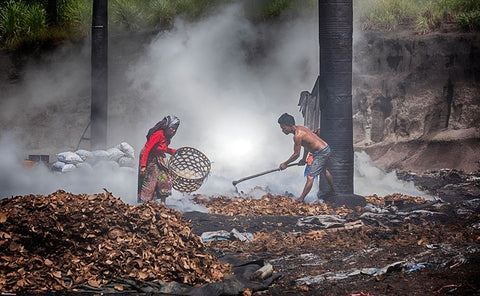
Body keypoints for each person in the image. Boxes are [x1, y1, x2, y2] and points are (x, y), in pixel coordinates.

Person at [277, 113, 335, 202]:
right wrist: (304, 159)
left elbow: (296, 154)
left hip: (321, 152)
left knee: (310, 176)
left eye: (284, 128)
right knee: (324, 170)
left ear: (289, 125)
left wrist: (285, 163)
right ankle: (333, 191)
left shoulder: (297, 136)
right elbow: (307, 145)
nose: (283, 131)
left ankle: (301, 198)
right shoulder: (300, 128)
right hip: (324, 149)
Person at [138, 115, 180, 206]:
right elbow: (147, 149)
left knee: (164, 178)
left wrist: (174, 151)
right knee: (150, 180)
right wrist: (143, 166)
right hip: (149, 157)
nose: (174, 130)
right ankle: (146, 204)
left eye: (175, 128)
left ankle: (163, 204)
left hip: (158, 157)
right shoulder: (158, 134)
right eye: (172, 128)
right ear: (167, 126)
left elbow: (162, 148)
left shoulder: (167, 136)